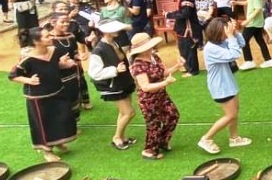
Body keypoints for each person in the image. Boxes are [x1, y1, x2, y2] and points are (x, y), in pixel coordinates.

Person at [9, 27, 78, 162]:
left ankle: (57, 141)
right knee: (44, 124)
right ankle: (47, 151)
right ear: (36, 41)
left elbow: (55, 66)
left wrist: (64, 64)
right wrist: (29, 80)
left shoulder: (54, 51)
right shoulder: (27, 59)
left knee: (62, 118)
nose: (50, 38)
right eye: (46, 37)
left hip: (57, 90)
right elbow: (13, 76)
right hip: (39, 98)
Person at [198, 18, 252, 154]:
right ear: (217, 32)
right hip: (220, 86)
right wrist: (230, 36)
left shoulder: (222, 42)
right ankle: (206, 138)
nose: (227, 34)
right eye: (225, 31)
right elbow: (234, 54)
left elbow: (242, 43)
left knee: (235, 111)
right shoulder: (211, 48)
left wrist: (236, 32)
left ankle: (234, 138)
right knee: (230, 115)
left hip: (228, 83)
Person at [129, 32, 183, 160]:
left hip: (161, 95)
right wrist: (165, 83)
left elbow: (163, 72)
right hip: (148, 101)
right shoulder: (138, 65)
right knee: (154, 124)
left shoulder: (154, 57)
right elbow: (145, 87)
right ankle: (149, 150)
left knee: (173, 115)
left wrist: (177, 66)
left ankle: (162, 142)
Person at [88, 19, 136, 150]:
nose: (117, 31)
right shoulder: (98, 50)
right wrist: (115, 70)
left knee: (123, 112)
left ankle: (122, 136)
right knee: (129, 113)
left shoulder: (114, 42)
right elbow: (94, 73)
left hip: (123, 82)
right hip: (113, 85)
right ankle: (116, 137)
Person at [48, 12, 87, 118]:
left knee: (73, 95)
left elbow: (74, 52)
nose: (66, 24)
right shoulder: (48, 39)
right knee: (61, 99)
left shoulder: (71, 36)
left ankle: (75, 123)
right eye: (62, 22)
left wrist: (78, 57)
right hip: (57, 74)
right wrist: (59, 63)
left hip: (72, 72)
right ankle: (66, 125)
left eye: (67, 22)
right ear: (53, 23)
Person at [235, 0, 272, 70]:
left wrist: (247, 20)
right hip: (257, 22)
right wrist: (236, 2)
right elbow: (249, 2)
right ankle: (268, 60)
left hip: (253, 23)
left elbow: (258, 8)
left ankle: (249, 61)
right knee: (260, 40)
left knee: (243, 41)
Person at [166, 0, 203, 76]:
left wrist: (169, 15)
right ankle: (188, 67)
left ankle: (193, 70)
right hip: (182, 28)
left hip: (188, 28)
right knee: (183, 48)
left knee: (189, 49)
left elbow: (185, 14)